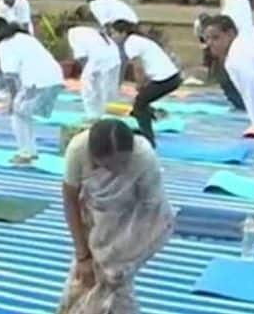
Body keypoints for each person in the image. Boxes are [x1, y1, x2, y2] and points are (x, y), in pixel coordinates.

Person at [59, 119, 173, 314]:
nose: (118, 169)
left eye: (123, 163)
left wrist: (122, 256)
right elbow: (70, 200)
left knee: (112, 276)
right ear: (95, 157)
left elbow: (151, 211)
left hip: (138, 219)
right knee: (86, 276)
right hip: (98, 216)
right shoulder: (78, 150)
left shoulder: (143, 156)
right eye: (110, 165)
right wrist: (83, 255)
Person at [203, 15, 254, 233]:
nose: (211, 44)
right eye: (207, 39)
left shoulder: (237, 58)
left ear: (230, 34)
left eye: (215, 38)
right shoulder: (245, 49)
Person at [0, 18, 63, 163]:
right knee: (24, 114)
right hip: (54, 78)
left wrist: (12, 99)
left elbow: (10, 76)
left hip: (38, 82)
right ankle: (30, 150)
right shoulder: (25, 38)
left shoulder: (5, 44)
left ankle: (25, 152)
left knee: (17, 114)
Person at [110, 20, 182, 147]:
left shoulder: (130, 43)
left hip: (166, 79)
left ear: (123, 33)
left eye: (114, 34)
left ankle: (149, 140)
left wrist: (140, 84)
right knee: (140, 103)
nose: (112, 37)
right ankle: (153, 115)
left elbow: (138, 67)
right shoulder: (137, 40)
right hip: (171, 77)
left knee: (139, 105)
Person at [67, 26, 121, 120]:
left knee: (88, 89)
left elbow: (82, 58)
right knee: (105, 90)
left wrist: (87, 74)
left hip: (100, 58)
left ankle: (92, 117)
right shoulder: (87, 31)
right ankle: (105, 115)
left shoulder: (72, 35)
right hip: (113, 57)